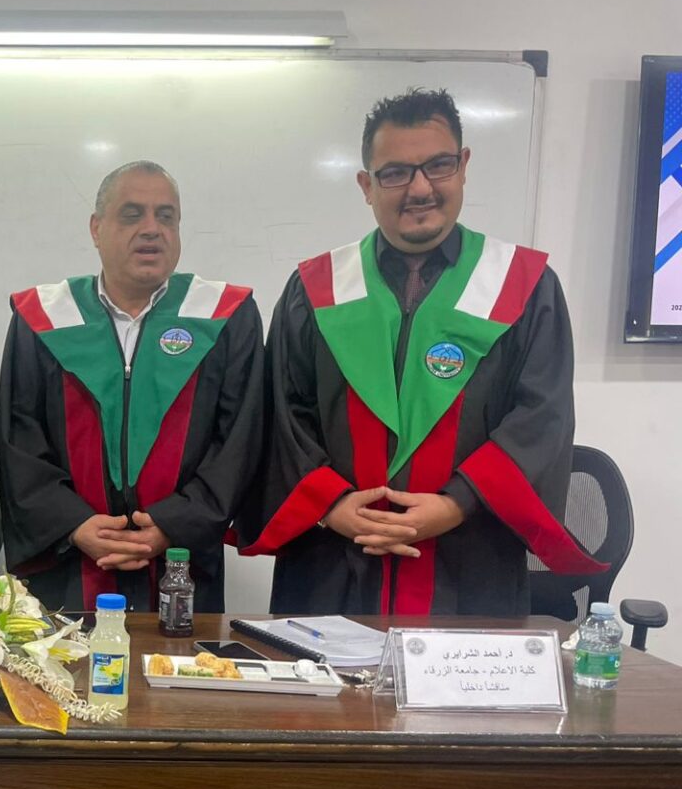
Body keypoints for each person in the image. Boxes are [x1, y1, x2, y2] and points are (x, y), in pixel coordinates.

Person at [244, 88, 603, 614]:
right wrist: (332, 503)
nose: (419, 188)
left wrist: (456, 503)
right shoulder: (318, 288)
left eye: (438, 165)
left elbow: (541, 417)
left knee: (461, 673)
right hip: (334, 562)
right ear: (366, 186)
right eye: (394, 173)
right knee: (322, 669)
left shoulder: (525, 287)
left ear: (463, 166)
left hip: (468, 563)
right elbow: (281, 412)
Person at [0, 161, 266, 613]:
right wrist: (75, 524)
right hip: (70, 564)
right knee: (64, 658)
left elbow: (240, 441)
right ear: (96, 228)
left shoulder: (225, 316)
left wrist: (173, 523)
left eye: (166, 216)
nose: (151, 229)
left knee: (180, 660)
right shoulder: (44, 318)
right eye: (132, 214)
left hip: (180, 564)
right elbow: (19, 439)